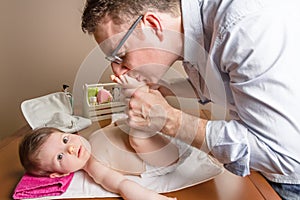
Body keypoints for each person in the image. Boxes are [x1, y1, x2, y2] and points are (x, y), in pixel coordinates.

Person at [81, 0, 300, 199]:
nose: (117, 71)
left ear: (152, 25)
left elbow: (284, 156)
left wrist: (169, 120)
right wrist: (163, 89)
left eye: (120, 56)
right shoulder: (192, 27)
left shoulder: (245, 28)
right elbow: (218, 81)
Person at [18, 127, 176, 200]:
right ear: (60, 173)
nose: (71, 148)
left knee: (132, 128)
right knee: (137, 139)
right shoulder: (95, 167)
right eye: (60, 157)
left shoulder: (91, 137)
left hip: (159, 141)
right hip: (160, 159)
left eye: (65, 139)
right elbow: (123, 185)